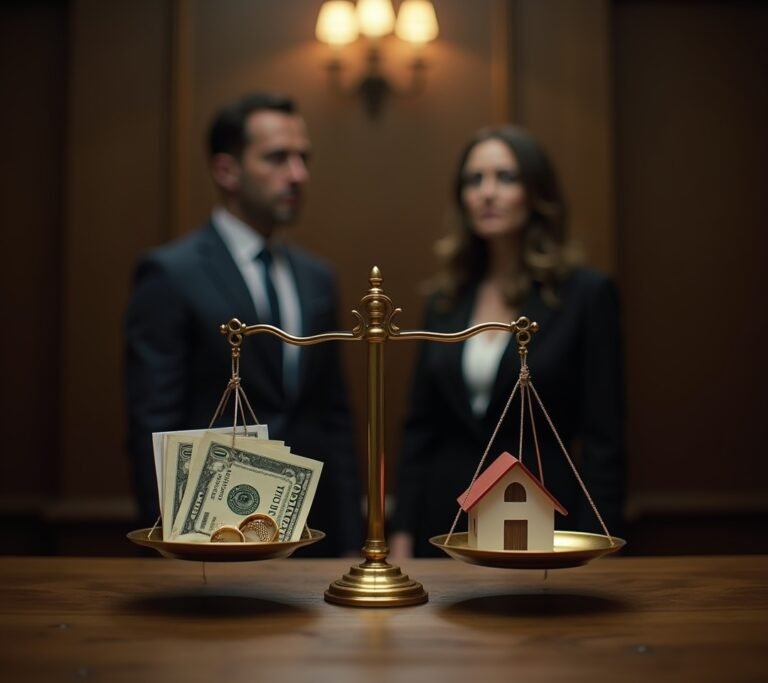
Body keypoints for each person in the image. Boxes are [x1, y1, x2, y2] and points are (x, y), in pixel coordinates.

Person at [124, 92, 362, 556]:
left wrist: (352, 541)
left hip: (318, 536)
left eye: (303, 158)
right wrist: (166, 546)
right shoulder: (171, 273)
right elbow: (152, 422)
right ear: (226, 171)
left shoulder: (317, 277)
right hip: (215, 536)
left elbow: (335, 417)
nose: (298, 174)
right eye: (277, 158)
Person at [390, 125, 625, 558]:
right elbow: (420, 428)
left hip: (538, 514)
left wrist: (601, 540)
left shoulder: (586, 295)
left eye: (506, 177)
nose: (487, 193)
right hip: (444, 520)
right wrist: (402, 531)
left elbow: (604, 440)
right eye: (474, 180)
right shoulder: (445, 299)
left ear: (536, 193)